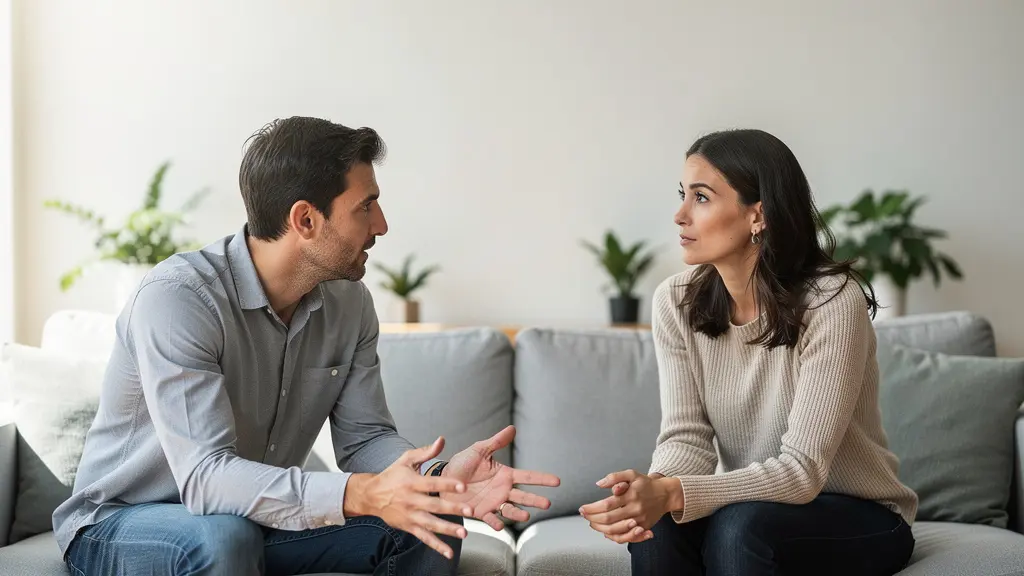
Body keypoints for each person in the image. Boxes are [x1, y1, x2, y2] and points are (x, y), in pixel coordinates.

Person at [52, 116, 560, 576]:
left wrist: (437, 479)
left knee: (426, 520)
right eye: (366, 206)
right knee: (224, 537)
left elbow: (363, 441)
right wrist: (360, 495)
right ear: (306, 221)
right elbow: (206, 480)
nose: (381, 224)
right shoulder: (179, 299)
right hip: (121, 522)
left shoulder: (350, 303)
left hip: (251, 518)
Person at [579, 129, 918, 575]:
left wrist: (676, 494)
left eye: (701, 198)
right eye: (684, 195)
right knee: (661, 526)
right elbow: (686, 438)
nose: (680, 215)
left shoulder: (832, 301)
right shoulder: (675, 301)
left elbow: (803, 471)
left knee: (740, 528)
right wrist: (655, 489)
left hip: (860, 517)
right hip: (755, 509)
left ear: (758, 215)